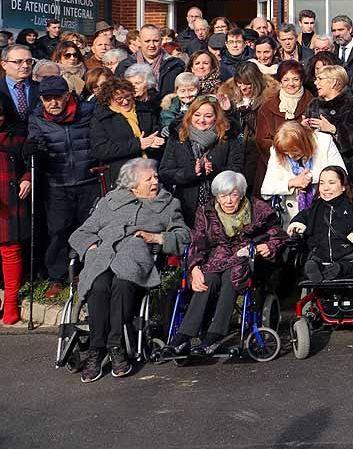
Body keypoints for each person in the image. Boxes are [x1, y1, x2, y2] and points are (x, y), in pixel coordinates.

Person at [69, 158, 188, 382]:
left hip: (135, 259)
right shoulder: (110, 201)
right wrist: (91, 247)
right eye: (149, 178)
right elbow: (81, 232)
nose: (156, 181)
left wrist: (157, 237)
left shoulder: (168, 204)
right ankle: (97, 348)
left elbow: (183, 236)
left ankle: (115, 346)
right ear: (132, 186)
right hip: (102, 257)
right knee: (99, 285)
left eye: (156, 176)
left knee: (122, 285)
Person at [167, 170, 283, 356]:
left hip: (246, 258)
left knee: (232, 277)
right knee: (208, 279)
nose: (228, 201)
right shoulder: (206, 211)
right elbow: (198, 241)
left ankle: (215, 335)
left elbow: (276, 232)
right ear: (216, 196)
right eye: (223, 196)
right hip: (217, 259)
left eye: (233, 195)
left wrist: (269, 245)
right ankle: (183, 336)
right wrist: (194, 267)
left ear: (241, 194)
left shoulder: (258, 209)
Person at [25, 75, 98, 298]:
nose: (53, 103)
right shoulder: (37, 119)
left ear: (68, 96)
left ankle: (90, 273)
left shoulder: (87, 111)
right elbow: (34, 147)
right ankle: (57, 277)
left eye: (57, 97)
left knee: (90, 230)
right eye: (47, 99)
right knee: (57, 231)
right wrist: (34, 150)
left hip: (89, 180)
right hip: (57, 182)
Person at [159, 96, 245, 226]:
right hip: (186, 205)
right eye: (197, 115)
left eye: (208, 116)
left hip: (220, 204)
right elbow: (165, 173)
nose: (201, 120)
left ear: (216, 117)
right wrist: (191, 173)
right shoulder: (177, 137)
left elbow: (236, 170)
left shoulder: (228, 137)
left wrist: (215, 171)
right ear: (190, 115)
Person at [286, 166, 353, 283]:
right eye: (322, 183)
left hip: (347, 253)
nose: (325, 188)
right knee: (310, 260)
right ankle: (315, 267)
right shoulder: (316, 206)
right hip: (321, 254)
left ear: (343, 186)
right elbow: (304, 215)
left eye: (331, 183)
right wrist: (297, 223)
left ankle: (339, 268)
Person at [260, 121, 346, 224]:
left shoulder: (324, 141)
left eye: (295, 151)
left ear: (304, 142)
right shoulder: (276, 151)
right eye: (287, 153)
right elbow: (266, 190)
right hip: (291, 216)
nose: (291, 156)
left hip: (325, 210)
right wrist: (292, 183)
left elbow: (342, 174)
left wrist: (309, 177)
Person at [303, 64, 353, 191]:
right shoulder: (314, 104)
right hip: (319, 168)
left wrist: (334, 129)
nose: (316, 83)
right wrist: (304, 130)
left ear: (333, 83)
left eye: (320, 79)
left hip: (348, 169)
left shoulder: (352, 103)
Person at [91, 78, 164, 184]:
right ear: (109, 100)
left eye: (128, 97)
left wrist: (155, 142)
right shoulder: (102, 119)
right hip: (121, 174)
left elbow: (156, 132)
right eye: (119, 99)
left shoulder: (146, 111)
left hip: (150, 168)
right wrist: (137, 144)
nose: (125, 102)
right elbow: (101, 150)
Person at [0, 96, 30, 323]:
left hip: (9, 198)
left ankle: (11, 303)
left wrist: (27, 178)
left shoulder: (18, 136)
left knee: (10, 251)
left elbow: (31, 162)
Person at [255, 60, 313, 166]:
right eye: (286, 80)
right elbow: (261, 139)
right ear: (280, 81)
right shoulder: (268, 106)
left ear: (302, 80)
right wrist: (284, 152)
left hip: (307, 161)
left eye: (295, 79)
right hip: (276, 162)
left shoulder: (312, 104)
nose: (291, 84)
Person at [133, 25, 183, 106]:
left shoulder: (176, 65)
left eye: (156, 41)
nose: (152, 45)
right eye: (147, 41)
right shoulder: (126, 65)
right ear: (139, 40)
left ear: (161, 40)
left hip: (165, 113)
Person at [1, 44, 38, 132]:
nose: (25, 65)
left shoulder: (41, 88)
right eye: (18, 61)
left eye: (29, 61)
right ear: (4, 64)